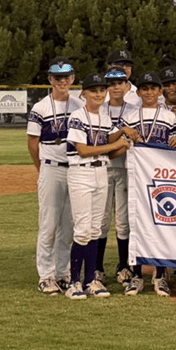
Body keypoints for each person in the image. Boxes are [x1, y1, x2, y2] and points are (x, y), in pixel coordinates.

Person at [64, 73, 134, 299]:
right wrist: (115, 143)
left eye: (101, 90)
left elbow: (109, 146)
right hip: (81, 172)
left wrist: (124, 141)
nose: (98, 94)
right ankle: (74, 282)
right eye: (93, 90)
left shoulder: (104, 118)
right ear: (83, 93)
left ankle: (90, 281)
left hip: (100, 172)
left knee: (95, 229)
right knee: (83, 229)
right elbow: (83, 149)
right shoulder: (77, 115)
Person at [121, 71, 176, 297]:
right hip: (136, 173)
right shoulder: (129, 115)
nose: (149, 92)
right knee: (135, 222)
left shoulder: (170, 116)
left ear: (160, 92)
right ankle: (136, 275)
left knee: (160, 223)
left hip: (160, 175)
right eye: (144, 88)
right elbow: (120, 140)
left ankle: (159, 275)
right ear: (138, 92)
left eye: (153, 88)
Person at [27, 58, 82, 295]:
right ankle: (46, 275)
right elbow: (32, 143)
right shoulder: (41, 107)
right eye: (57, 78)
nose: (62, 82)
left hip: (75, 168)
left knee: (69, 225)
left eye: (66, 77)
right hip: (51, 166)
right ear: (50, 80)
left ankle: (63, 272)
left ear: (72, 79)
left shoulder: (79, 105)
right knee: (48, 223)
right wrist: (42, 169)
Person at [96, 68, 141, 288]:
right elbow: (101, 137)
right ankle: (97, 267)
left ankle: (124, 266)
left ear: (126, 86)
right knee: (102, 221)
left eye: (120, 82)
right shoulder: (99, 109)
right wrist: (123, 132)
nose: (115, 87)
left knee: (124, 221)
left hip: (126, 168)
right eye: (111, 83)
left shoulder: (135, 109)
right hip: (103, 167)